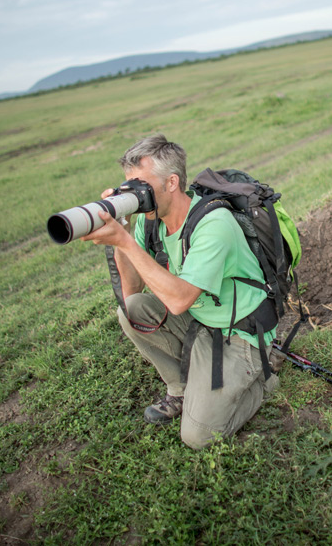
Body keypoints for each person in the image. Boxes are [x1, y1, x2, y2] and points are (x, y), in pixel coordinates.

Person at [82, 135, 278, 449]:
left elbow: (179, 299)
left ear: (172, 182)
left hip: (239, 332)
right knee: (131, 310)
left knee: (198, 437)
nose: (135, 194)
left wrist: (124, 242)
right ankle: (181, 388)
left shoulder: (213, 222)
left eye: (141, 185)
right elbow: (131, 289)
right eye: (128, 185)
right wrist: (121, 230)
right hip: (200, 318)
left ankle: (263, 378)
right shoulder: (151, 222)